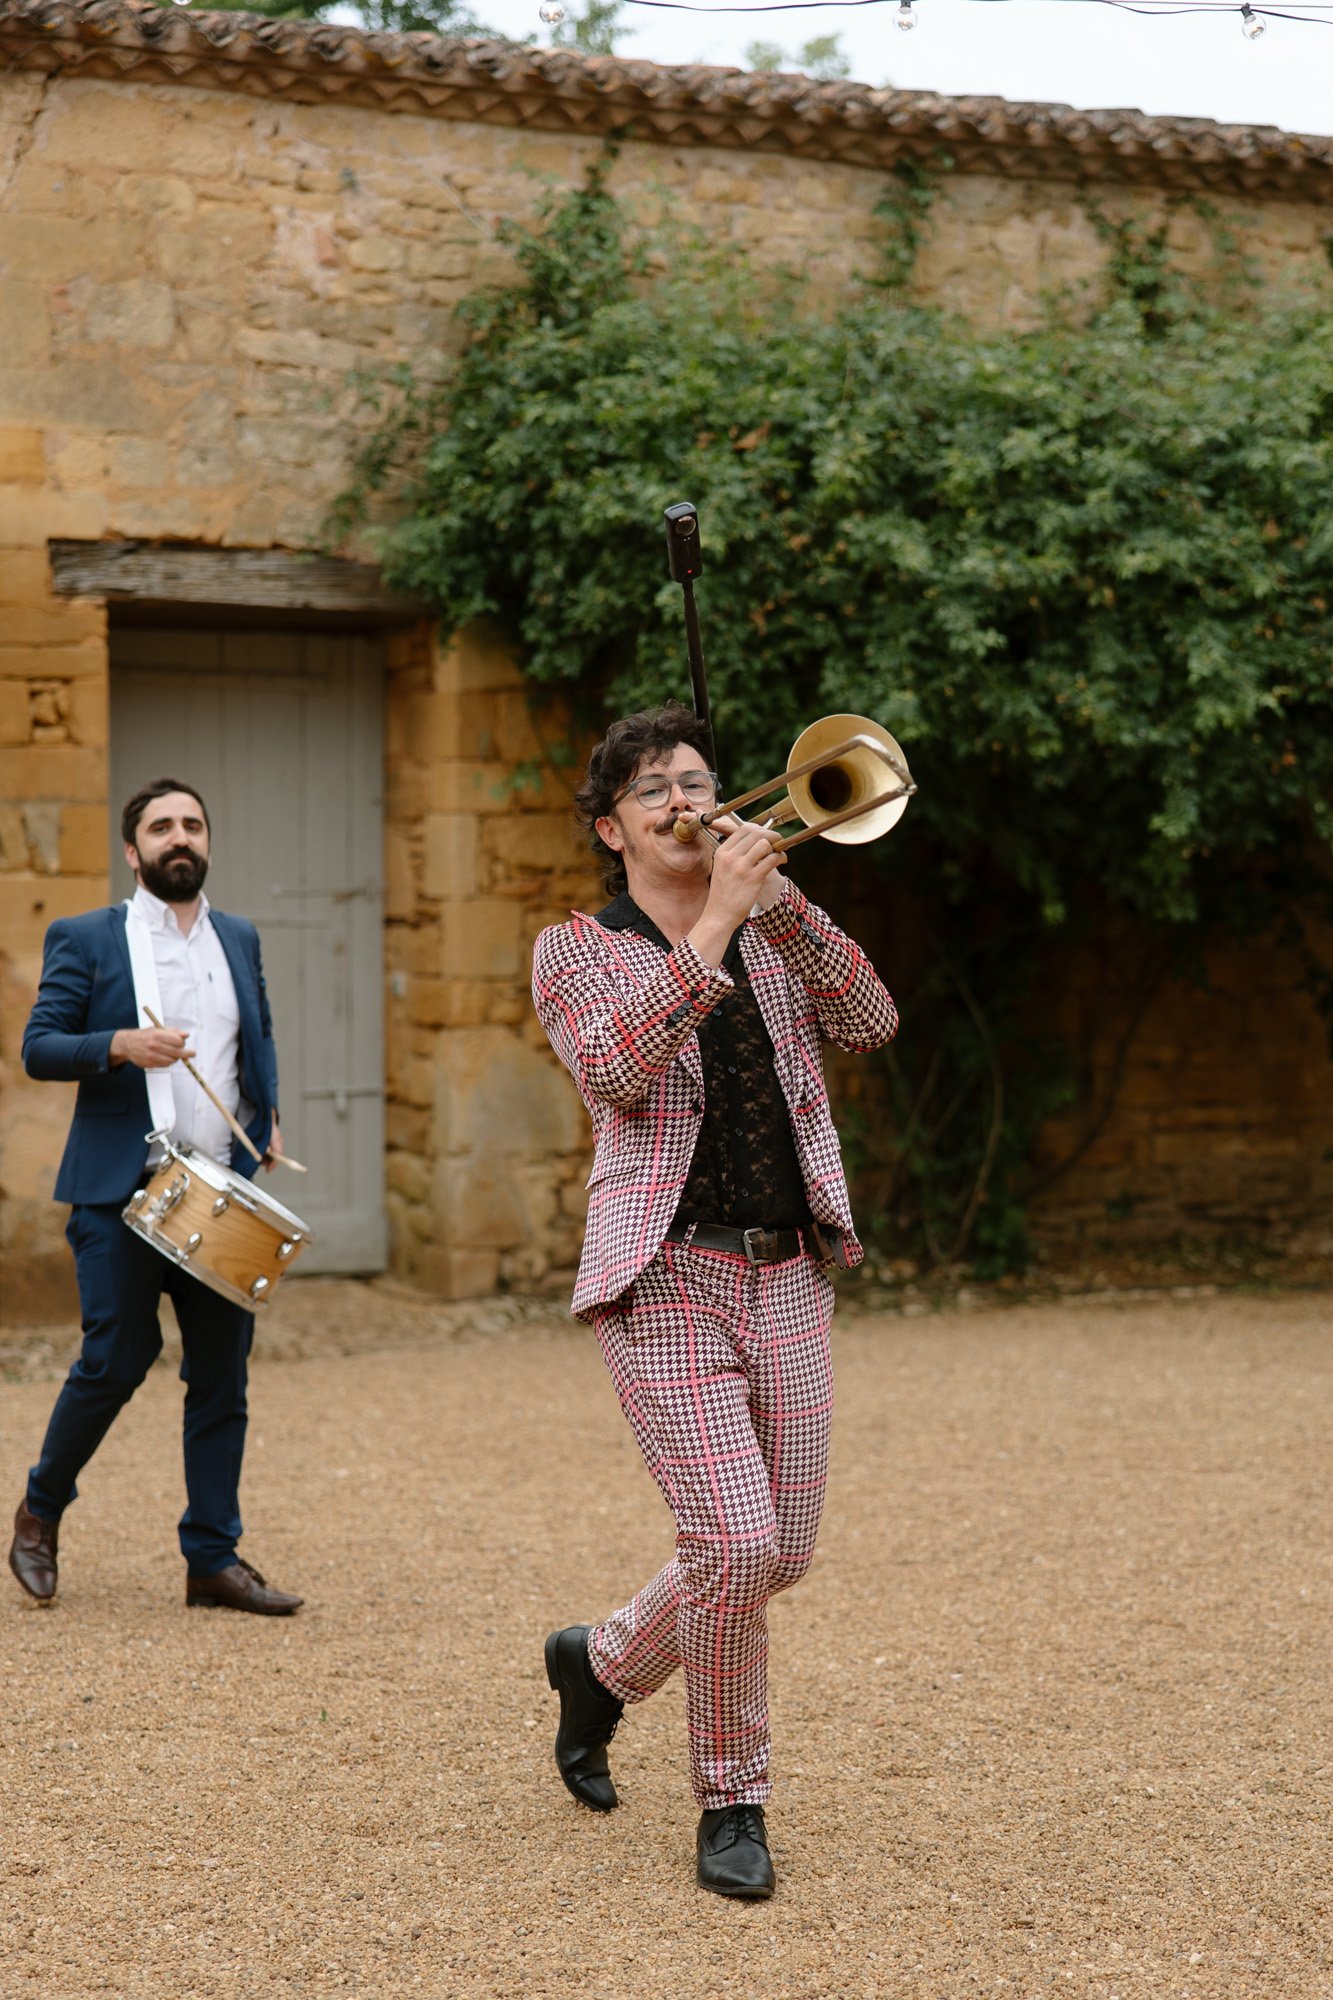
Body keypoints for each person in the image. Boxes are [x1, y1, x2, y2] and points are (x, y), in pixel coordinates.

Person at [532, 702, 897, 1899]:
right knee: (733, 1543)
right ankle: (732, 1799)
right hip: (665, 1276)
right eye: (652, 790)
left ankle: (603, 1661)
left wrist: (775, 901)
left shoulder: (774, 919)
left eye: (695, 780)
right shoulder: (576, 948)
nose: (683, 801)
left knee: (779, 1551)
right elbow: (615, 1070)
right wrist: (716, 925)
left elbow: (871, 1020)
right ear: (612, 827)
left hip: (788, 1271)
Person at [9, 778, 303, 1617]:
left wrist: (265, 1119)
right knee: (114, 1360)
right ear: (132, 851)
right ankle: (39, 1509)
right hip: (121, 1191)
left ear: (207, 842)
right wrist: (119, 1045)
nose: (181, 837)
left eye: (193, 825)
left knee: (221, 1378)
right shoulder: (88, 936)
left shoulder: (238, 936)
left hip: (220, 1195)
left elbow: (255, 1036)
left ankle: (212, 1559)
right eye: (162, 826)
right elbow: (39, 1047)